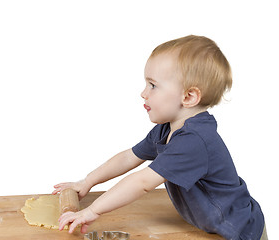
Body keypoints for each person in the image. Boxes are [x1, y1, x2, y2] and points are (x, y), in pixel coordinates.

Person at [52, 35, 267, 240]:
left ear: (189, 96)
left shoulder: (194, 141)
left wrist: (91, 211)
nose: (143, 93)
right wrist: (87, 181)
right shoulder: (167, 129)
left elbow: (143, 182)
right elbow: (130, 157)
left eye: (153, 85)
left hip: (240, 231)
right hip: (211, 224)